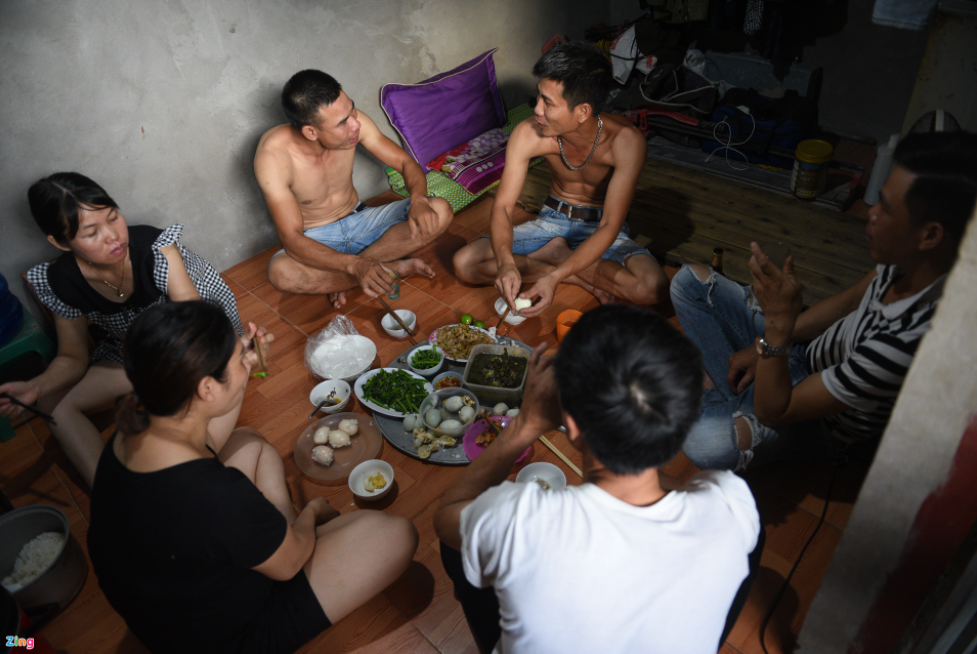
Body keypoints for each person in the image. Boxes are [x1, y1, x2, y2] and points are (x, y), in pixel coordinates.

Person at [87, 301, 418, 654]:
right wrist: (313, 513)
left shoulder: (133, 430)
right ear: (206, 388)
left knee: (247, 442)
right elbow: (289, 566)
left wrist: (247, 367)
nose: (245, 354)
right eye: (236, 355)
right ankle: (284, 537)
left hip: (164, 605)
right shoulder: (216, 495)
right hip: (222, 638)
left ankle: (277, 536)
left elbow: (209, 433)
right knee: (395, 535)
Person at [433, 305, 762, 654]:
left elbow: (446, 515)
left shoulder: (521, 523)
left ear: (570, 425)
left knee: (457, 544)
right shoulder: (732, 503)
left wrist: (526, 423)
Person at [670, 131, 977, 471]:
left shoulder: (906, 345)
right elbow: (847, 302)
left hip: (816, 419)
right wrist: (763, 344)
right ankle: (728, 394)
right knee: (688, 282)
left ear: (930, 235)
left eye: (886, 209)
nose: (871, 212)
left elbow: (776, 411)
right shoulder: (907, 262)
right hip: (801, 353)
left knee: (704, 443)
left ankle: (718, 391)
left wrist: (776, 331)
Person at [0, 172, 243, 488]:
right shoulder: (60, 281)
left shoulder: (156, 250)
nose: (113, 236)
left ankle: (188, 470)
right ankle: (110, 493)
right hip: (135, 347)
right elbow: (73, 358)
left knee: (232, 360)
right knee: (51, 401)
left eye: (114, 218)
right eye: (91, 233)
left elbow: (194, 325)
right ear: (60, 242)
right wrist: (37, 386)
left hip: (191, 337)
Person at [451, 42, 668, 318]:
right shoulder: (528, 133)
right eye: (538, 97)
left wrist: (553, 278)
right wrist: (505, 263)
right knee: (464, 263)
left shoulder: (625, 142)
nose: (537, 110)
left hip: (600, 228)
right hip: (551, 221)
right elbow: (504, 207)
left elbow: (610, 226)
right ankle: (566, 266)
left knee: (654, 288)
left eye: (548, 103)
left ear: (583, 112)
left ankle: (560, 259)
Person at [254, 69, 453, 309]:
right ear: (311, 132)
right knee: (281, 273)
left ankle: (345, 280)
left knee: (439, 210)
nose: (355, 124)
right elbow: (293, 240)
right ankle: (389, 268)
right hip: (318, 238)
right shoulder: (273, 156)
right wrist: (354, 266)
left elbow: (405, 163)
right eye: (341, 123)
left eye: (352, 110)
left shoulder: (354, 124)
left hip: (362, 220)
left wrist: (419, 200)